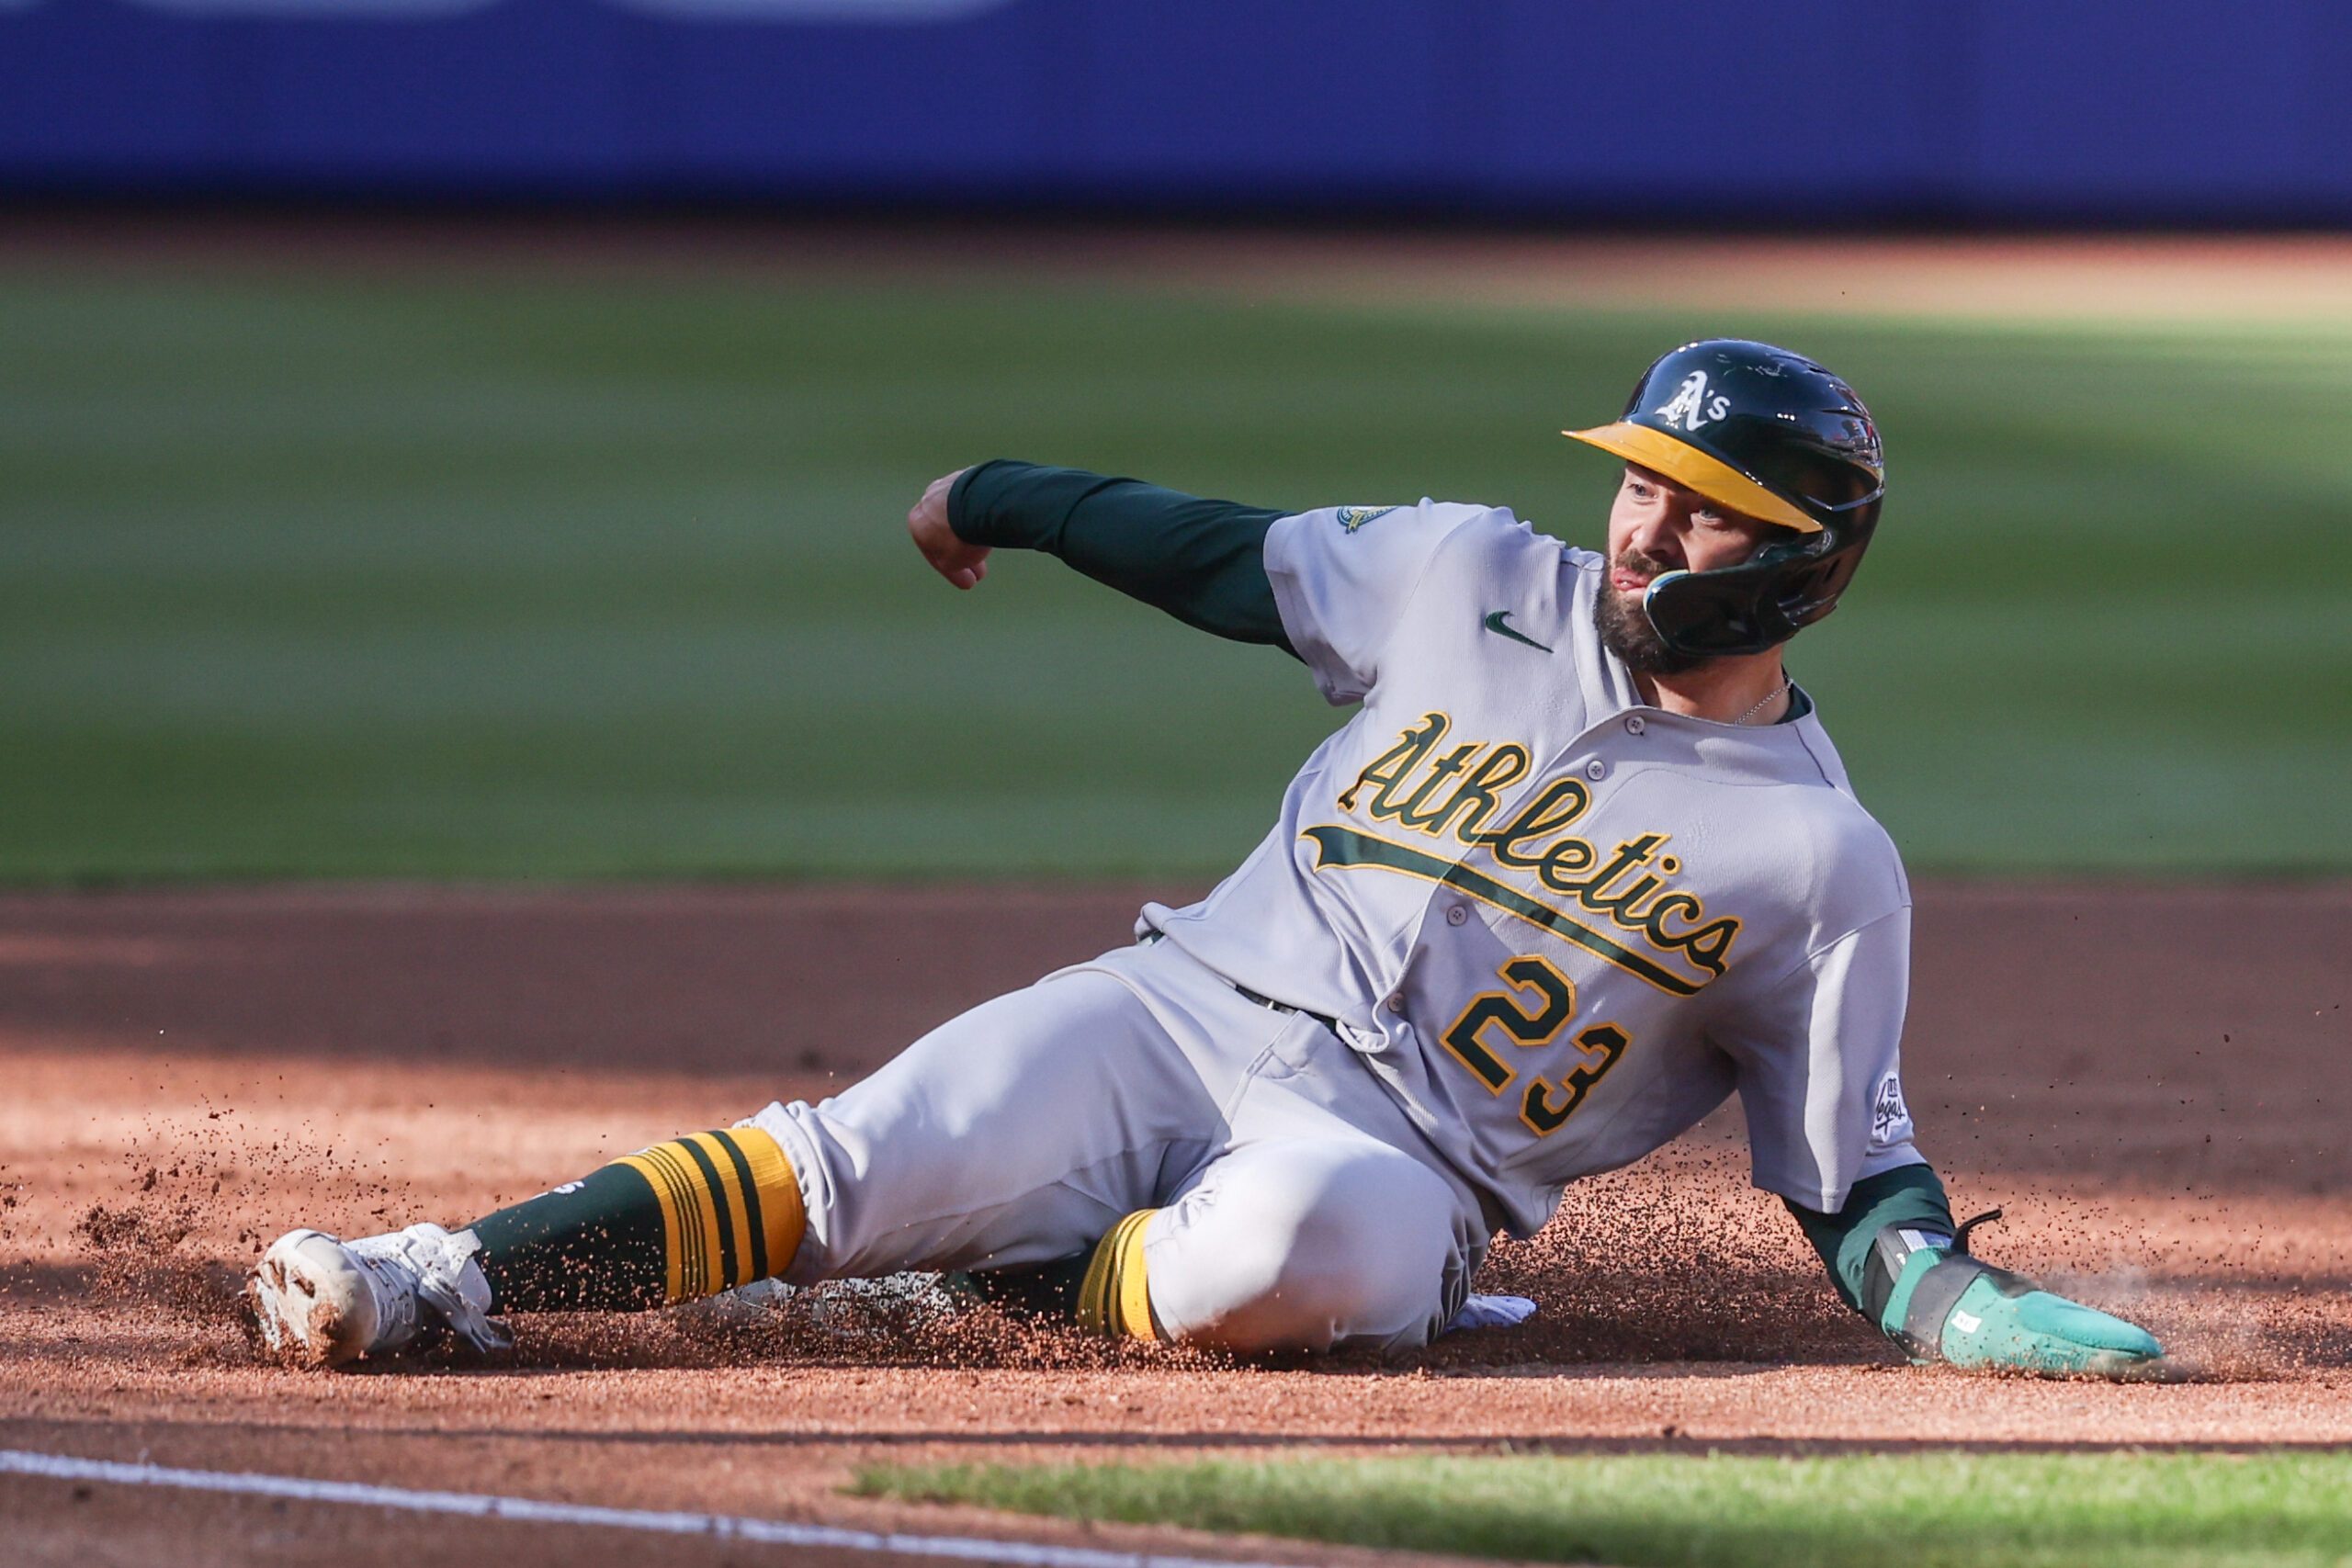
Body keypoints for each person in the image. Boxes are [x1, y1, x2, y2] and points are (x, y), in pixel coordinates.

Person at [250, 339, 2163, 1376]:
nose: (1646, 534)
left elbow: (1854, 1173)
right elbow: (1217, 552)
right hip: (1175, 1010)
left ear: (1804, 559)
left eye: (1705, 515)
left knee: (1291, 1254)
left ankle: (1012, 1288)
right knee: (869, 1147)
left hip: (1395, 1161)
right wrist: (1007, 494)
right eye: (1640, 485)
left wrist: (1952, 1304)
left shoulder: (1818, 858)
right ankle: (434, 1275)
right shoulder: (1470, 573)